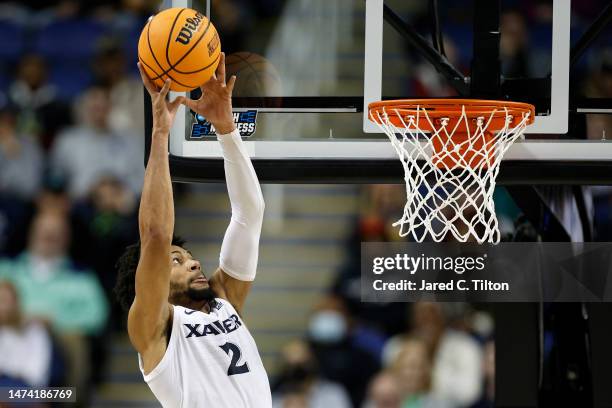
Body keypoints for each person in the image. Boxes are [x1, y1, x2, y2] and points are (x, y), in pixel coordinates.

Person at [113, 53, 271, 407]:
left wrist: (226, 129)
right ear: (150, 282)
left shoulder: (224, 301)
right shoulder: (153, 329)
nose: (195, 263)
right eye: (177, 260)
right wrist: (160, 134)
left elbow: (250, 213)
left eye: (188, 257)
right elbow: (155, 236)